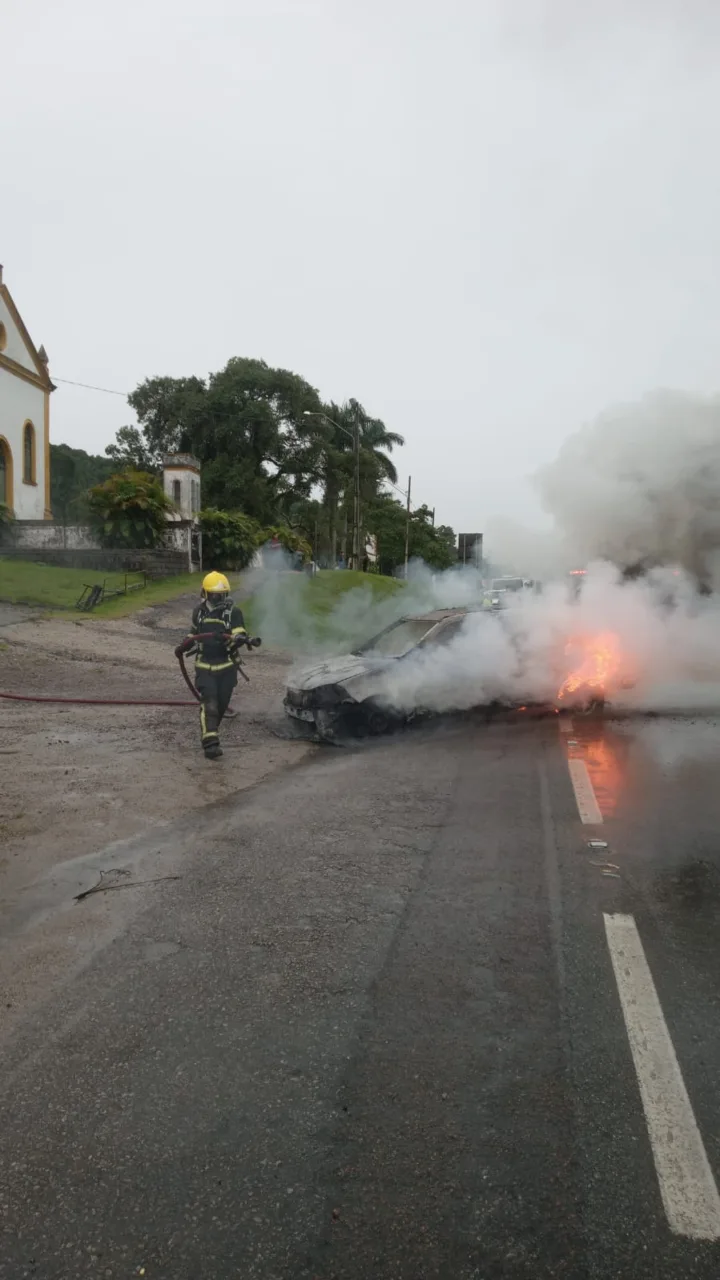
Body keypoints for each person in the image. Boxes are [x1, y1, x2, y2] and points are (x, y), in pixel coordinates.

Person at [175, 571, 248, 760]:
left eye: (221, 595)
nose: (218, 599)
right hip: (204, 666)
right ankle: (210, 744)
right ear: (205, 593)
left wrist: (237, 639)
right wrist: (184, 645)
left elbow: (239, 633)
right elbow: (193, 633)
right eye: (214, 595)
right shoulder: (198, 612)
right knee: (210, 704)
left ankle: (212, 731)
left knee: (221, 705)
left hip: (226, 668)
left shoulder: (233, 613)